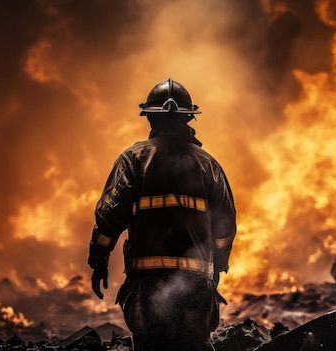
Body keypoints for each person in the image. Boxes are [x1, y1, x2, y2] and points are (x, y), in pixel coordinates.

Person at [87, 78, 236, 351]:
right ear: (189, 118)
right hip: (194, 284)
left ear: (149, 118)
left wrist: (99, 260)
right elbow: (225, 226)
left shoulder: (132, 160)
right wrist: (219, 265)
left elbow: (109, 216)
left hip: (147, 285)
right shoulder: (209, 166)